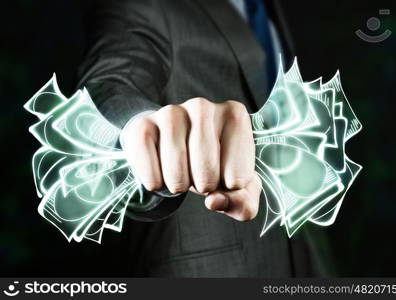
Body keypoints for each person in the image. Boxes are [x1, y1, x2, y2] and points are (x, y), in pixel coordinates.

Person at [77, 0, 330, 277]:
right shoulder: (141, 6)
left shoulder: (270, 8)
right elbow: (109, 88)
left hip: (301, 261)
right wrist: (136, 130)